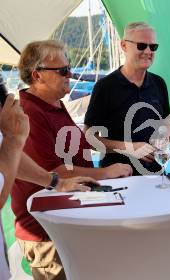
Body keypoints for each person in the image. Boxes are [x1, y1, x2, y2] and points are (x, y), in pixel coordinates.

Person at [13, 39, 132, 280]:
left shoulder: (53, 105)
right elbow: (54, 172)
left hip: (68, 222)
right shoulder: (30, 112)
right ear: (37, 75)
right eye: (63, 71)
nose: (71, 74)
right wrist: (107, 172)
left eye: (70, 68)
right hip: (48, 231)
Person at [85, 22, 170, 175]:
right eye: (141, 46)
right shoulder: (105, 87)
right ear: (124, 46)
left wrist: (164, 139)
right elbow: (89, 138)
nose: (148, 51)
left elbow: (165, 126)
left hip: (156, 177)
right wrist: (130, 148)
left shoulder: (159, 83)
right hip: (119, 178)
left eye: (153, 47)